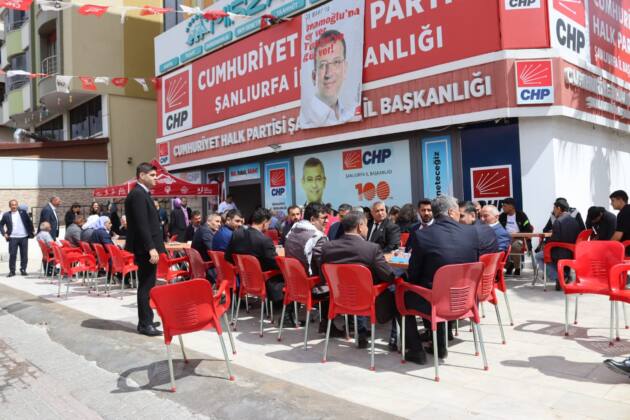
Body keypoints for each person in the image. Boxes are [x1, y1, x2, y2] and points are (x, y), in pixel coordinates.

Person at [404, 196, 480, 364]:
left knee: (400, 297)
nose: (459, 215)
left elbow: (414, 274)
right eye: (458, 212)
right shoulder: (472, 232)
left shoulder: (422, 235)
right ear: (451, 211)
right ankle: (439, 345)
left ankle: (416, 351)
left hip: (437, 302)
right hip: (466, 299)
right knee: (434, 288)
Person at [320, 210, 397, 348]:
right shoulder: (371, 248)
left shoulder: (327, 247)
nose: (367, 228)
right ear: (360, 226)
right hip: (367, 298)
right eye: (366, 225)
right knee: (397, 289)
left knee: (360, 286)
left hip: (339, 298)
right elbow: (388, 275)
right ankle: (395, 339)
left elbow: (323, 273)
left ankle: (362, 334)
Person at [125, 162, 166, 337]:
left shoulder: (142, 193)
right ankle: (145, 324)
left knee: (148, 284)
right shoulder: (138, 195)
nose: (156, 178)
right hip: (145, 249)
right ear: (142, 176)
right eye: (152, 175)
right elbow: (142, 224)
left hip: (146, 247)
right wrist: (151, 248)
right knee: (146, 286)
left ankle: (146, 319)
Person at [225, 208, 287, 321]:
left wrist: (241, 267)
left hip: (245, 280)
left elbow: (228, 257)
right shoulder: (265, 241)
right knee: (288, 273)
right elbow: (276, 264)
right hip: (264, 281)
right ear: (264, 223)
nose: (269, 226)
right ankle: (288, 311)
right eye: (269, 223)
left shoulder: (237, 234)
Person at [299, 29, 356, 128]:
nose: (328, 73)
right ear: (314, 76)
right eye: (322, 65)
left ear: (345, 69)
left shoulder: (347, 112)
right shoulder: (309, 117)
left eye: (336, 62)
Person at [535, 198, 581, 290]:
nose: (553, 211)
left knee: (538, 256)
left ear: (559, 208)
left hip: (559, 252)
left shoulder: (558, 221)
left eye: (554, 208)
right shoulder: (575, 221)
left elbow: (554, 240)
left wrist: (546, 244)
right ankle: (564, 275)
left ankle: (559, 277)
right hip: (572, 252)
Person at [285, 203, 328, 277]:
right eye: (324, 218)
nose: (327, 221)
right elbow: (324, 267)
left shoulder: (292, 231)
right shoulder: (319, 237)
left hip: (292, 279)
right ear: (312, 219)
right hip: (312, 282)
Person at [499, 198, 533, 275]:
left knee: (514, 246)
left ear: (511, 206)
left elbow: (528, 229)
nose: (502, 208)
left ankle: (517, 268)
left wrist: (517, 234)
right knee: (498, 247)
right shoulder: (502, 216)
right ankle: (509, 265)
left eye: (505, 206)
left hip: (520, 238)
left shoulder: (521, 215)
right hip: (506, 239)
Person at [0, 199, 34, 277]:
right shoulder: (6, 215)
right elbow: (1, 225)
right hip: (12, 238)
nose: (14, 206)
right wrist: (4, 233)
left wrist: (32, 230)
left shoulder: (23, 213)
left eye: (15, 205)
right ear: (10, 206)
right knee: (12, 255)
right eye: (12, 205)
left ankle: (23, 270)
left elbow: (29, 222)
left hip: (24, 237)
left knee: (24, 255)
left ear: (17, 205)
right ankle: (12, 271)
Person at [610, 190, 630, 256]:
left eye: (613, 200)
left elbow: (618, 236)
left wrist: (607, 245)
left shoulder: (623, 213)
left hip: (627, 249)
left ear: (620, 200)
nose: (611, 203)